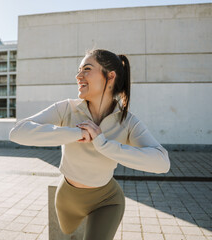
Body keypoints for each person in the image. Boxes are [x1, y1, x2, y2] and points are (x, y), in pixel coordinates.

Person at [9, 49, 171, 240]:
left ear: (110, 76)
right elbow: (18, 132)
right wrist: (76, 133)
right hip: (67, 199)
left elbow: (162, 162)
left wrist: (103, 144)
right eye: (79, 70)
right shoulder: (67, 109)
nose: (78, 76)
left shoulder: (127, 122)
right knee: (68, 231)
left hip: (107, 200)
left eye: (86, 69)